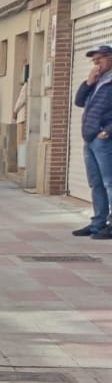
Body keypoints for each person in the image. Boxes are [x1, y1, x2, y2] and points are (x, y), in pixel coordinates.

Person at [74, 45, 112, 239]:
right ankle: (98, 222)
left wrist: (107, 131)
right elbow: (79, 101)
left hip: (104, 139)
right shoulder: (97, 81)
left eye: (101, 58)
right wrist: (88, 83)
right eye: (94, 60)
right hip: (90, 139)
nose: (97, 63)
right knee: (95, 182)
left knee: (109, 182)